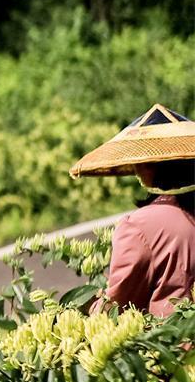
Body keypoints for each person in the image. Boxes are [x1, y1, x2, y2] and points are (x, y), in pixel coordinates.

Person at [70, 103, 195, 318]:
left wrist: (87, 307)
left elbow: (118, 305)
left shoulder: (139, 226)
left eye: (140, 163)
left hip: (174, 345)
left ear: (150, 166)